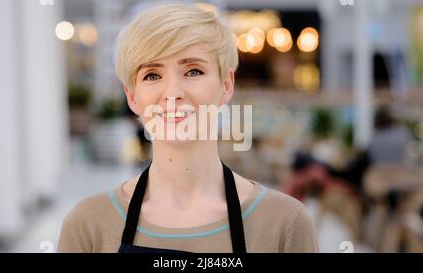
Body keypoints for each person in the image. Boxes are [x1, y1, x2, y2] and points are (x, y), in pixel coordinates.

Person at [57, 3, 318, 253]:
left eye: (193, 71)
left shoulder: (285, 224)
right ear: (132, 97)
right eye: (152, 75)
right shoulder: (88, 227)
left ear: (226, 85)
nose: (172, 93)